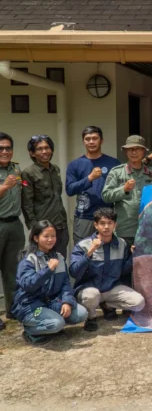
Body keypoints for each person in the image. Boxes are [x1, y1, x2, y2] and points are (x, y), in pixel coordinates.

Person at [10, 221, 88, 345]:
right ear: (36, 238)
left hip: (52, 302)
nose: (50, 239)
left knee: (81, 314)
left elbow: (65, 284)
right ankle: (30, 330)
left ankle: (51, 324)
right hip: (30, 305)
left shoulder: (59, 257)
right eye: (46, 236)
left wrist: (67, 302)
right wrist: (48, 270)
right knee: (57, 323)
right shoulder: (29, 259)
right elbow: (28, 285)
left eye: (53, 236)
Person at [69, 208, 145, 332]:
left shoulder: (122, 244)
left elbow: (123, 271)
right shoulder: (83, 245)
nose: (106, 227)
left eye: (109, 223)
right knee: (91, 296)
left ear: (115, 225)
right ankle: (91, 317)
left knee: (139, 302)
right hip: (89, 288)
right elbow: (74, 272)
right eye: (102, 223)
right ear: (96, 225)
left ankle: (107, 304)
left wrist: (132, 256)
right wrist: (90, 252)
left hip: (112, 288)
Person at [65, 126, 120, 245]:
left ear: (102, 140)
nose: (91, 142)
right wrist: (89, 178)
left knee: (107, 252)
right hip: (84, 216)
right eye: (87, 139)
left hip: (107, 217)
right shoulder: (75, 164)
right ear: (83, 141)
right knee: (83, 251)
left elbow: (119, 190)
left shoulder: (113, 163)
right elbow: (70, 190)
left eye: (95, 138)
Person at [102, 135, 152, 248]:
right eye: (130, 149)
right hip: (124, 229)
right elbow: (106, 196)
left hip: (147, 228)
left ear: (144, 151)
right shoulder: (117, 172)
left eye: (138, 149)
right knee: (124, 264)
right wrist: (123, 190)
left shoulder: (151, 173)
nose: (134, 152)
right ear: (126, 151)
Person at [21, 135, 69, 257]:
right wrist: (34, 228)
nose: (44, 151)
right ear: (32, 153)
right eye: (39, 149)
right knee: (42, 265)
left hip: (61, 225)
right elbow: (27, 203)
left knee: (60, 262)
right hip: (43, 228)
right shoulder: (28, 173)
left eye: (47, 148)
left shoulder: (55, 169)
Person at [0, 132, 25, 329]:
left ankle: (13, 309)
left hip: (15, 224)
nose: (5, 151)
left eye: (8, 148)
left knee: (13, 270)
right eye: (1, 148)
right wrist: (4, 187)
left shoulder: (16, 168)